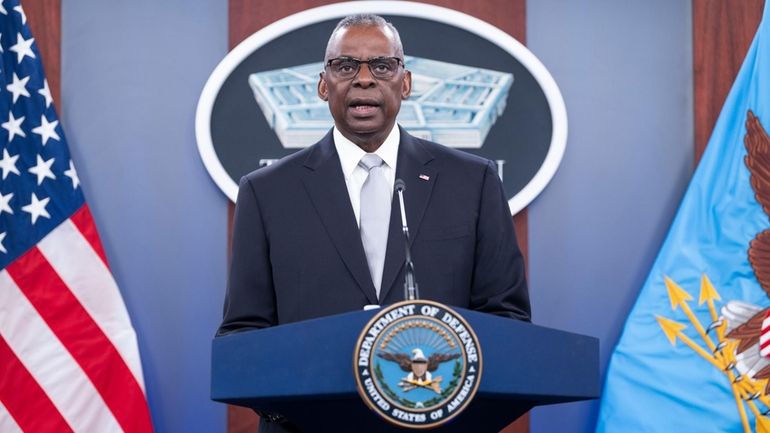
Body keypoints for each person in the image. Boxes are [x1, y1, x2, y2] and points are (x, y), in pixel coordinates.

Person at [217, 13, 530, 432]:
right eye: (345, 66)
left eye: (382, 66)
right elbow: (244, 333)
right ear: (323, 84)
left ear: (406, 82)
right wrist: (297, 409)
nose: (364, 79)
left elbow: (506, 319)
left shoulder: (472, 181)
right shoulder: (267, 191)